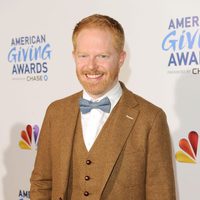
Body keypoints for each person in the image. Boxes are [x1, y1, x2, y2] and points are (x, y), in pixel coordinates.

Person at [30, 14, 176, 200]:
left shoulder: (151, 119)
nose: (91, 66)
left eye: (102, 56)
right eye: (83, 56)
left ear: (121, 58)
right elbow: (42, 183)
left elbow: (161, 194)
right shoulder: (56, 112)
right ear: (74, 56)